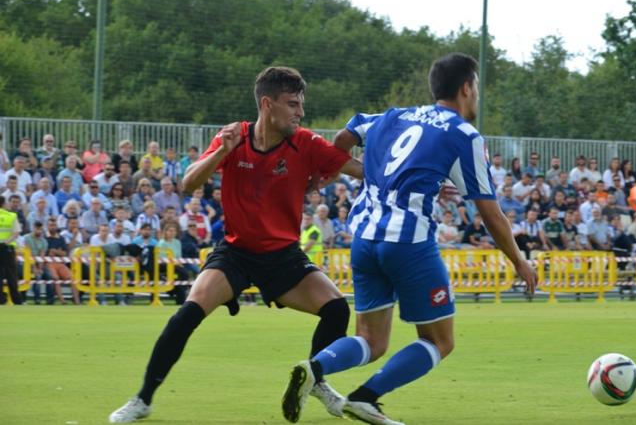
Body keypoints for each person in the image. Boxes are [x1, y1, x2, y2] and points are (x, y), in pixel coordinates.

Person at [282, 53, 536, 425]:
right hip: (409, 242)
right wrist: (519, 260)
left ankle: (314, 366)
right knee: (439, 341)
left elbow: (341, 139)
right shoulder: (464, 135)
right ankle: (365, 397)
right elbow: (490, 211)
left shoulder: (392, 116)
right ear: (467, 88)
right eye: (476, 87)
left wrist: (375, 176)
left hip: (365, 237)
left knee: (371, 340)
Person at [109, 66, 363, 423]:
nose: (300, 112)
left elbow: (360, 170)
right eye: (292, 104)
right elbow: (188, 184)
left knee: (337, 309)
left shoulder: (306, 142)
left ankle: (317, 382)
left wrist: (419, 173)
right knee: (188, 313)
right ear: (267, 104)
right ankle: (143, 399)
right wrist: (218, 154)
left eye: (300, 105)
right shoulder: (233, 137)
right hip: (236, 253)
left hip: (283, 256)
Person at [0, 196, 22, 305]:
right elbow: (16, 232)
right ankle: (16, 299)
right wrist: (6, 242)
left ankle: (1, 299)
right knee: (11, 275)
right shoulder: (12, 216)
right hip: (7, 248)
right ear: (4, 204)